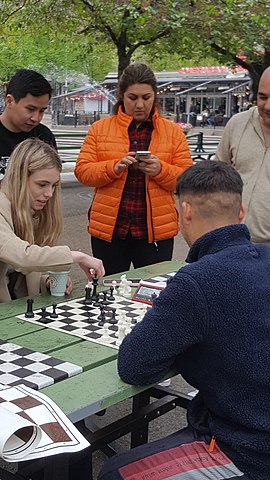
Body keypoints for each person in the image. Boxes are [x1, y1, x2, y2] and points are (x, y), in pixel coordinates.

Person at [98, 161, 270, 480]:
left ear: (185, 211)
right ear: (241, 212)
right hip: (246, 425)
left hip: (249, 451)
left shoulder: (197, 281)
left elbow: (134, 366)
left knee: (113, 474)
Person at [75, 62, 192, 275]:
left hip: (154, 233)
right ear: (121, 96)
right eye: (132, 97)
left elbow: (188, 179)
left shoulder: (172, 132)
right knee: (106, 291)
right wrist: (114, 167)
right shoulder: (100, 129)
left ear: (155, 96)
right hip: (109, 231)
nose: (139, 104)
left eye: (146, 98)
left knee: (151, 293)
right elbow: (83, 171)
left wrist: (160, 170)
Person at [0, 138, 104, 303]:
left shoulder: (30, 210)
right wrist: (76, 256)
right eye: (42, 185)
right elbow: (22, 257)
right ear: (18, 178)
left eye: (54, 185)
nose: (49, 193)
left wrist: (46, 281)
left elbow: (16, 275)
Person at [215, 66, 270, 246]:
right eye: (262, 97)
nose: (267, 106)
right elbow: (216, 176)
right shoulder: (238, 123)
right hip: (234, 243)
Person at [0, 68, 57, 176]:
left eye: (42, 111)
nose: (36, 118)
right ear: (9, 101)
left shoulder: (44, 136)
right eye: (30, 109)